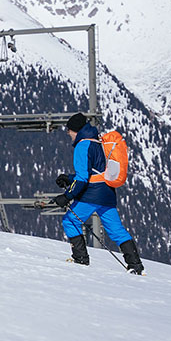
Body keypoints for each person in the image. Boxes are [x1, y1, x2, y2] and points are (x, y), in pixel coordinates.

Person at [53, 112, 144, 274]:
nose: (68, 134)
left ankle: (80, 259)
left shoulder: (82, 145)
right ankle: (135, 265)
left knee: (70, 220)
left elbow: (83, 178)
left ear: (75, 130)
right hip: (107, 192)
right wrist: (69, 178)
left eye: (68, 130)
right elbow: (96, 172)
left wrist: (67, 196)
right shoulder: (97, 141)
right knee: (116, 230)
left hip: (91, 194)